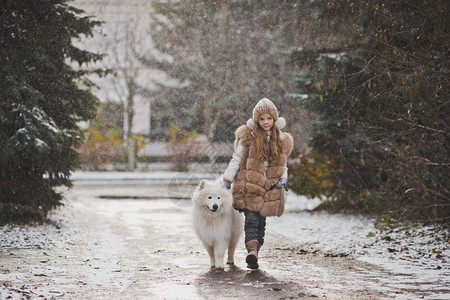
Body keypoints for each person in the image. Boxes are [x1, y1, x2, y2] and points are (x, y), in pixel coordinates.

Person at [223, 98, 294, 269]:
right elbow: (237, 158)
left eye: (269, 118)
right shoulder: (248, 136)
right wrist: (227, 179)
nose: (265, 122)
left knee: (261, 223)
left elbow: (283, 164)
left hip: (269, 188)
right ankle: (251, 251)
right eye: (262, 119)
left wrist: (283, 179)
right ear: (257, 120)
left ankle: (255, 252)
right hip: (249, 186)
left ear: (274, 119)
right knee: (252, 221)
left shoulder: (282, 139)